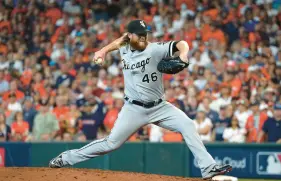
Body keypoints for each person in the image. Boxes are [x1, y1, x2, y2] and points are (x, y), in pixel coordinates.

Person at [49, 19, 232, 180]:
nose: (144, 38)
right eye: (140, 36)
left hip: (159, 107)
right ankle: (66, 158)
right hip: (133, 109)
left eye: (145, 35)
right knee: (111, 143)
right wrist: (102, 51)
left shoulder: (155, 49)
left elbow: (181, 43)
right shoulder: (124, 46)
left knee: (188, 125)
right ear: (130, 36)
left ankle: (208, 168)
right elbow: (119, 42)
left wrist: (183, 55)